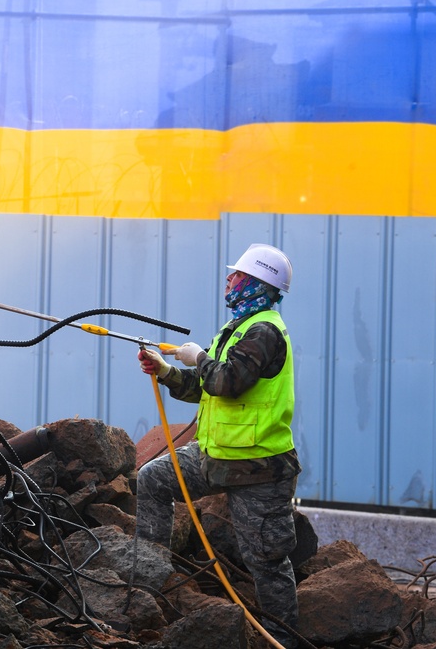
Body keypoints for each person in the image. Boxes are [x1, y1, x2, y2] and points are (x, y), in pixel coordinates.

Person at [135, 243, 301, 648]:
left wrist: (198, 358)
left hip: (259, 470)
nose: (229, 280)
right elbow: (212, 391)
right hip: (218, 458)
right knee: (153, 479)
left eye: (237, 276)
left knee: (266, 561)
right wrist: (169, 371)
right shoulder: (240, 328)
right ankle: (148, 588)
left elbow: (226, 380)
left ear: (257, 284)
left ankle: (282, 640)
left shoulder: (263, 330)